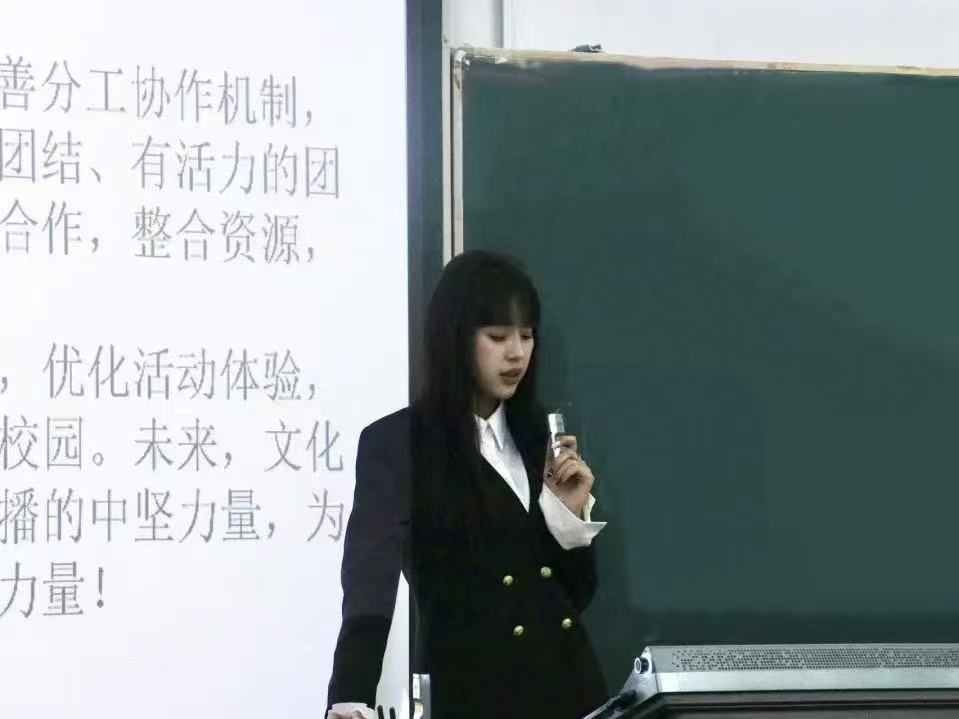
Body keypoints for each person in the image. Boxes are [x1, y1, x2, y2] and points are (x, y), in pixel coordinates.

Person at [327, 250, 609, 719]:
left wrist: (568, 518)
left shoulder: (542, 437)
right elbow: (369, 582)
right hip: (470, 696)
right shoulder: (400, 442)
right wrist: (351, 694)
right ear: (455, 338)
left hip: (571, 694)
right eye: (497, 336)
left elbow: (577, 595)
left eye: (527, 335)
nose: (516, 353)